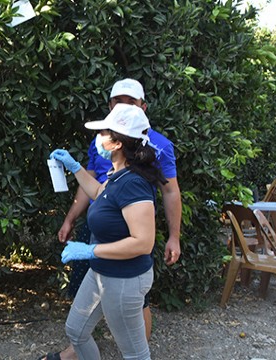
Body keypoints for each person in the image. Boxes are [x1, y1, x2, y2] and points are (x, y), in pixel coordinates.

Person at [47, 78, 182, 360]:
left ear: (117, 142)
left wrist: (90, 250)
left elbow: (143, 243)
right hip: (102, 272)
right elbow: (99, 191)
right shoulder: (118, 173)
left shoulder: (133, 183)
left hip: (123, 279)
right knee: (76, 330)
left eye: (103, 133)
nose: (98, 138)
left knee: (134, 354)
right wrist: (74, 167)